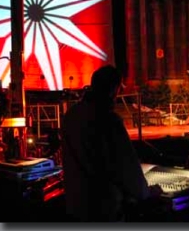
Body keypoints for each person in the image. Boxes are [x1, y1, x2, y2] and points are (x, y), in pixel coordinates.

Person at [61, 65, 162, 222]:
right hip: (105, 211)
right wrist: (147, 193)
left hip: (76, 208)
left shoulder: (71, 115)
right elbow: (126, 167)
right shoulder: (109, 120)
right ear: (113, 90)